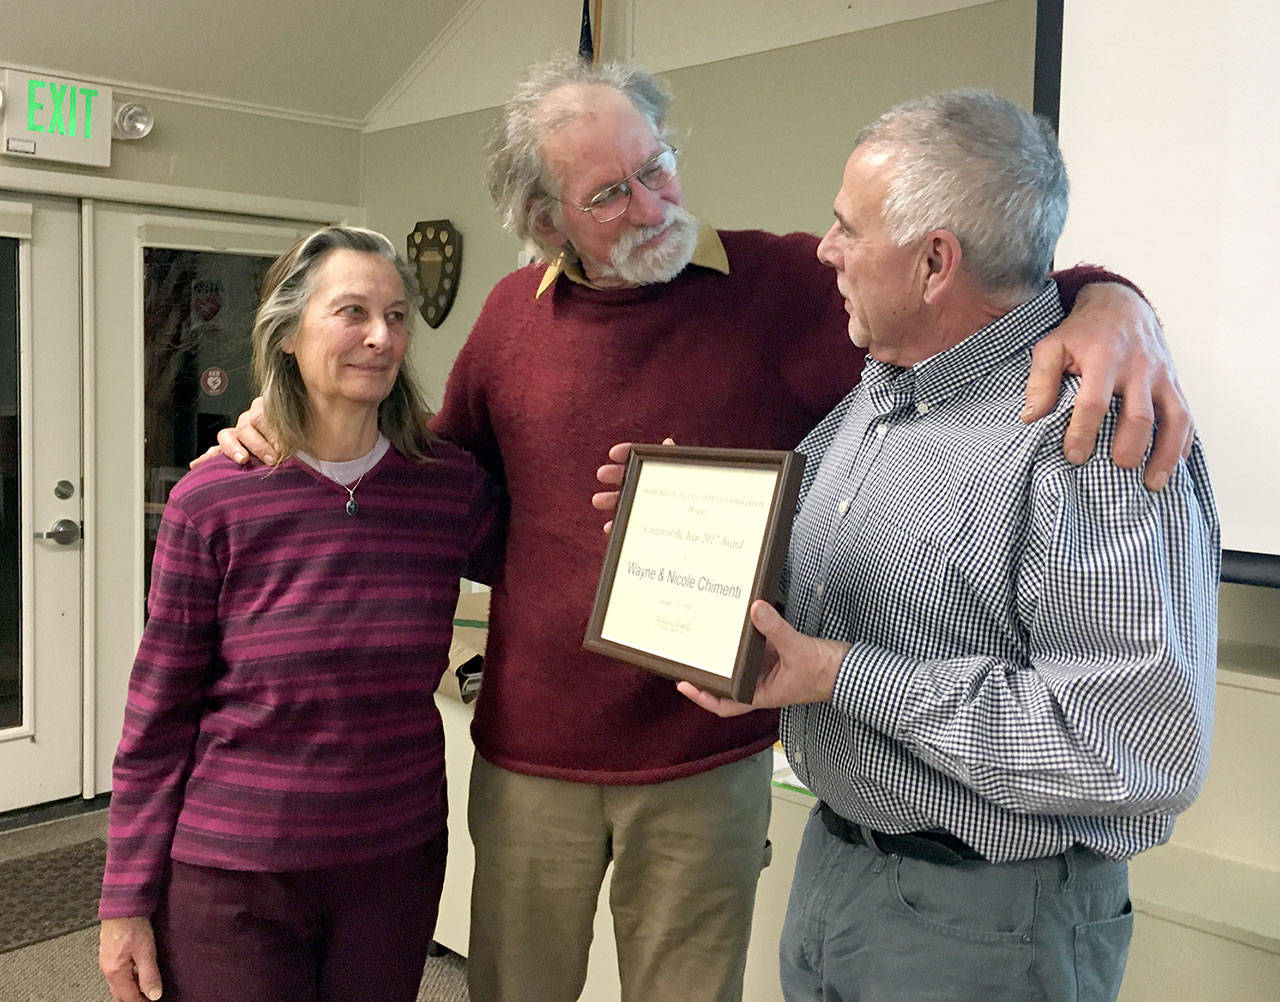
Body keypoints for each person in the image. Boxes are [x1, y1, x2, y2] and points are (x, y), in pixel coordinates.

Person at [214, 58, 1191, 1002]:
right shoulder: (512, 318)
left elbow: (984, 282)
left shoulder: (790, 283)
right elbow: (433, 494)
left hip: (707, 753)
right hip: (533, 752)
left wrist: (1112, 303)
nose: (650, 203)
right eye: (607, 195)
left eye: (657, 164)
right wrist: (293, 428)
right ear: (546, 221)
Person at [662, 90, 1219, 1001]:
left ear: (934, 263)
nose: (825, 250)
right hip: (837, 865)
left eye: (846, 227)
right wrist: (690, 531)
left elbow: (1132, 744)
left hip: (989, 920)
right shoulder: (876, 393)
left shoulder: (1089, 439)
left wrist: (847, 677)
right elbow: (825, 596)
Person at [98, 226, 504, 1002]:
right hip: (236, 872)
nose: (380, 337)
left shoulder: (446, 488)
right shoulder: (213, 498)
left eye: (396, 314)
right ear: (287, 334)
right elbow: (158, 715)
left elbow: (547, 557)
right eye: (351, 311)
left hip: (393, 859)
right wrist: (125, 899)